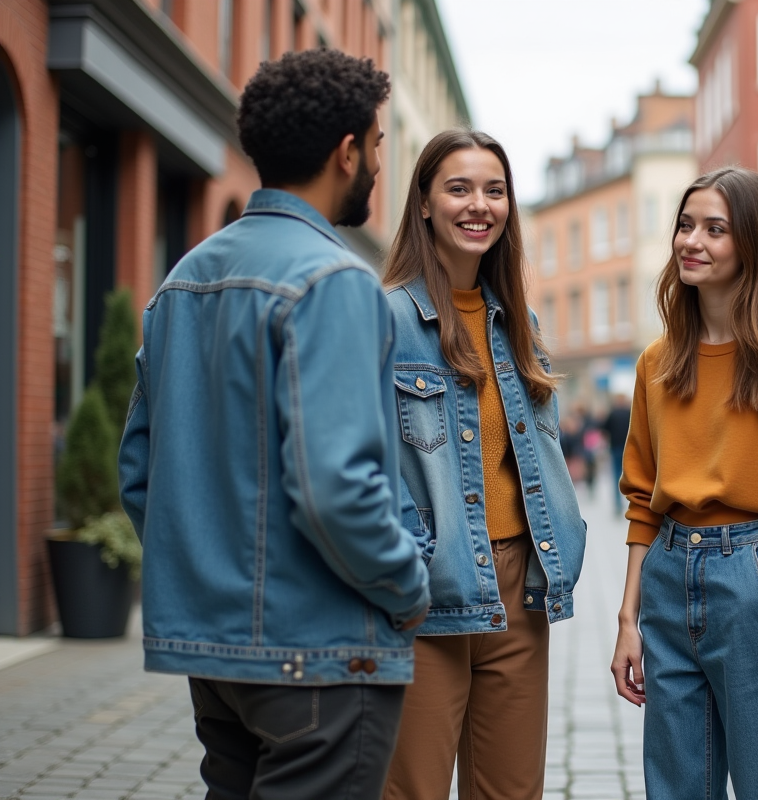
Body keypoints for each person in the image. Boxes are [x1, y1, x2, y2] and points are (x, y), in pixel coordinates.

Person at [117, 50, 430, 800]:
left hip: (215, 655)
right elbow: (337, 489)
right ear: (346, 151)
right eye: (379, 145)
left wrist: (204, 584)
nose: (382, 165)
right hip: (318, 654)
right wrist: (408, 586)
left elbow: (139, 474)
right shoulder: (336, 280)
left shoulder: (181, 281)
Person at [610, 167, 758, 800]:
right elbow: (640, 497)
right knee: (677, 788)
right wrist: (629, 618)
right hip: (666, 579)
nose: (694, 241)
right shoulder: (657, 363)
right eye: (687, 225)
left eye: (716, 229)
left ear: (752, 244)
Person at [380, 129, 587, 800]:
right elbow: (359, 467)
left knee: (510, 793)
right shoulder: (383, 320)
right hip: (425, 596)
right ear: (423, 204)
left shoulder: (515, 323)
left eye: (494, 190)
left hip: (519, 592)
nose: (480, 205)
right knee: (410, 790)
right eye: (459, 188)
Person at [600, 392, 632, 514]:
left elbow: (604, 428)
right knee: (629, 476)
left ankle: (618, 504)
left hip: (615, 447)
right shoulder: (629, 412)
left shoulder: (612, 413)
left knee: (615, 476)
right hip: (627, 448)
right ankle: (630, 501)